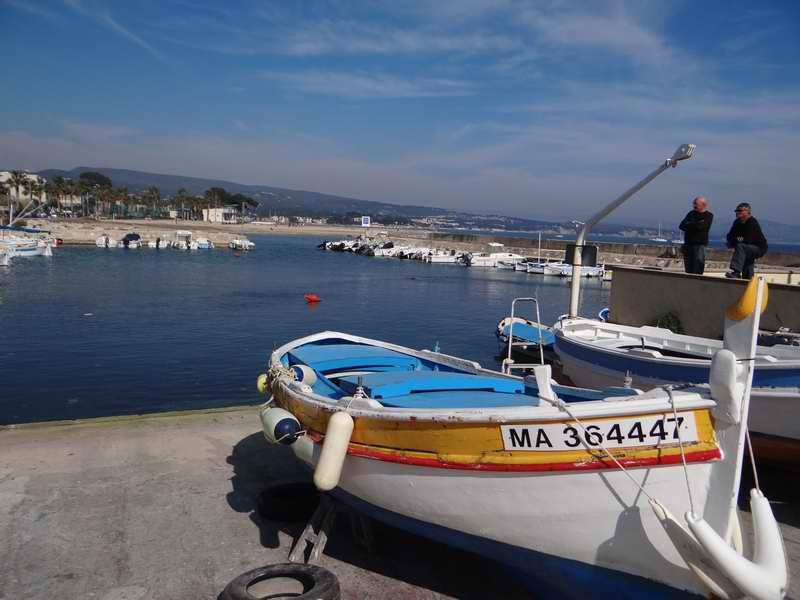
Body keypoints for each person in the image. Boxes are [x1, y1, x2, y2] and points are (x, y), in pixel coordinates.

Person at [725, 202, 768, 279]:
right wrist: (736, 240)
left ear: (747, 212)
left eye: (740, 211)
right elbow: (729, 236)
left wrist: (735, 240)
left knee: (741, 247)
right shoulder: (737, 222)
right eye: (737, 211)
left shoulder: (752, 222)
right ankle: (748, 279)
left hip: (758, 248)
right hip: (747, 247)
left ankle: (736, 272)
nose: (737, 212)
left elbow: (748, 239)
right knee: (746, 258)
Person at [679, 196, 714, 274]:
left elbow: (701, 227)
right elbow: (681, 226)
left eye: (696, 204)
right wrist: (696, 224)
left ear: (703, 205)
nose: (694, 205)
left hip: (699, 245)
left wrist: (690, 224)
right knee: (688, 269)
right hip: (688, 244)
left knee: (698, 268)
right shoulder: (690, 213)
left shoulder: (708, 215)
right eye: (694, 203)